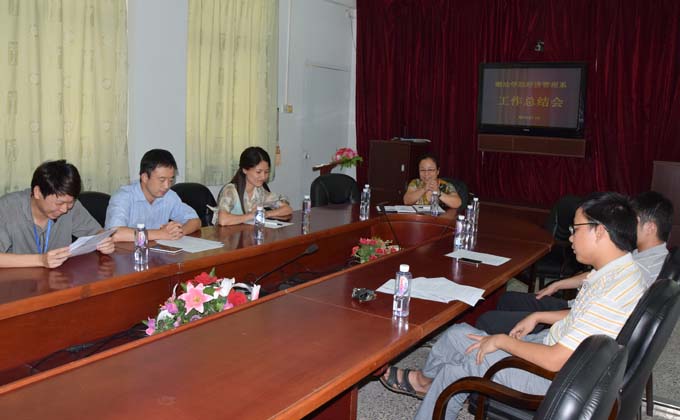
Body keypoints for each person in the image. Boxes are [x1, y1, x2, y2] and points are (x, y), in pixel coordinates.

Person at [380, 192, 646, 420]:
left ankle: (438, 390)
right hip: (557, 349)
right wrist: (539, 315)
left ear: (600, 231)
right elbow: (584, 318)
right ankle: (427, 384)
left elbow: (555, 360)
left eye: (576, 229)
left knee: (464, 365)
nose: (571, 237)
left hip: (553, 378)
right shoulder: (616, 273)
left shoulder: (612, 293)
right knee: (455, 334)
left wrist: (502, 342)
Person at [475, 190, 673, 335]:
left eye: (633, 221)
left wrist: (538, 318)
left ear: (650, 228)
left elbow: (593, 317)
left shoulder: (644, 270)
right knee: (507, 299)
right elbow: (597, 274)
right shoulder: (640, 254)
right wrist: (559, 284)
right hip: (577, 306)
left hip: (577, 316)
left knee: (488, 320)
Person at [0, 160, 115, 268]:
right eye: (59, 203)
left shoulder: (71, 206)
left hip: (58, 277)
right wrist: (41, 260)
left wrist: (105, 242)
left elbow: (97, 233)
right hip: (17, 279)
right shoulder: (7, 208)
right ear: (37, 192)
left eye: (70, 202)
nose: (64, 209)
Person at [105, 149, 201, 241]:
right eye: (162, 180)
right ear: (145, 177)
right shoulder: (123, 197)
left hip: (156, 250)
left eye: (171, 180)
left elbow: (195, 221)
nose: (167, 186)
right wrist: (161, 234)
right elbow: (116, 234)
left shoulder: (169, 196)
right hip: (125, 251)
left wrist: (179, 232)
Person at [212, 146, 291, 226]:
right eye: (258, 172)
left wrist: (266, 214)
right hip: (228, 233)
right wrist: (251, 215)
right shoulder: (230, 191)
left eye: (266, 172)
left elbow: (287, 209)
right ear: (245, 170)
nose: (263, 177)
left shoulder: (259, 191)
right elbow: (223, 220)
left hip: (248, 232)